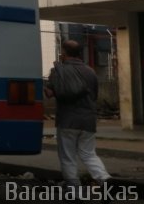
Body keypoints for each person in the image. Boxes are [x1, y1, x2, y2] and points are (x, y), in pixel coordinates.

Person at [45, 39, 111, 188]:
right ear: (79, 53)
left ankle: (75, 192)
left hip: (67, 121)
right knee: (88, 154)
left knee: (68, 158)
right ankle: (104, 180)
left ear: (64, 53)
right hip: (88, 121)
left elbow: (49, 93)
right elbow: (94, 95)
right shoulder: (90, 71)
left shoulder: (58, 71)